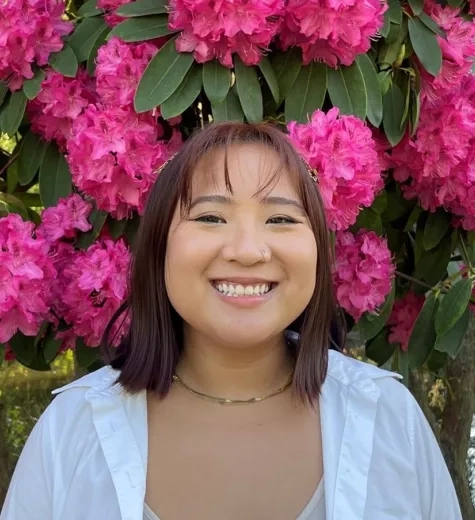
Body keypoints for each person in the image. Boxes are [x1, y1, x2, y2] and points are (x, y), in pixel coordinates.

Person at [1, 122, 461, 520]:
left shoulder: (389, 418)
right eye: (211, 217)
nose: (246, 249)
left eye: (280, 218)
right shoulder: (71, 430)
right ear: (159, 249)